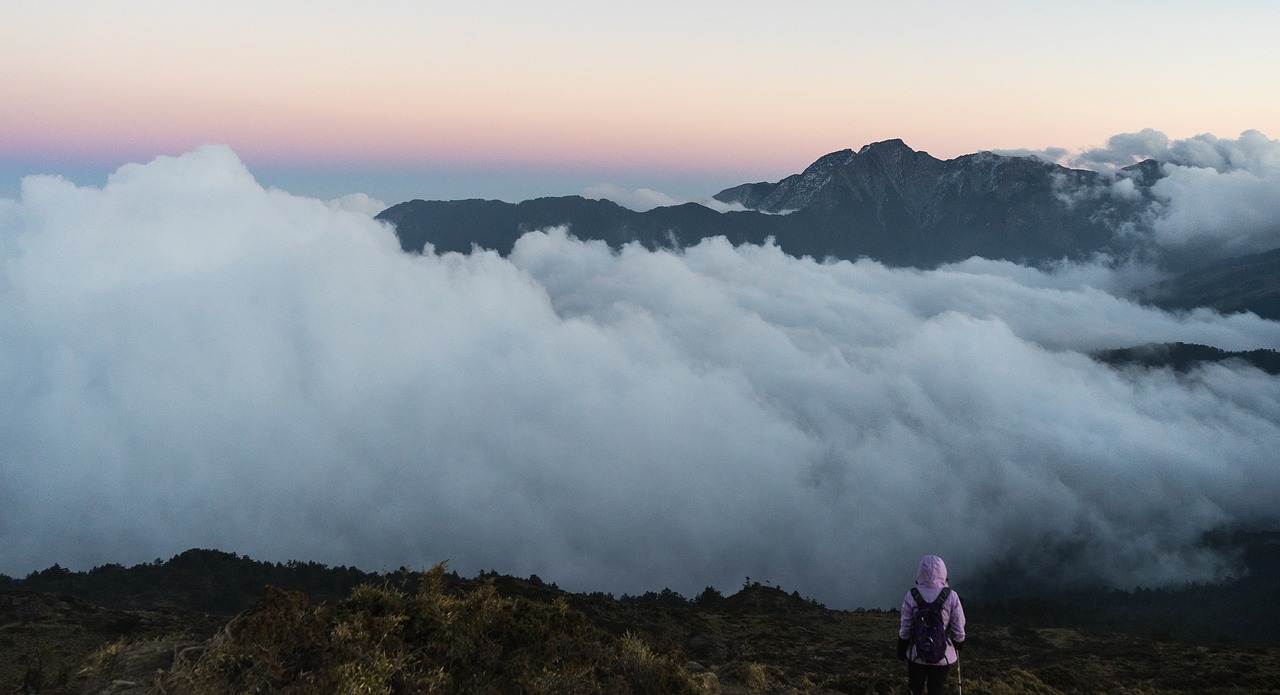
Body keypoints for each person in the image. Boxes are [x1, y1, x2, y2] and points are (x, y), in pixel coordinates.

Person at [898, 554, 966, 695]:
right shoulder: (951, 596)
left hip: (916, 654)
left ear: (920, 572)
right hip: (943, 655)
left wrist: (902, 646)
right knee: (936, 689)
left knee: (914, 688)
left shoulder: (912, 595)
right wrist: (959, 642)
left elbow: (905, 626)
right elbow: (958, 626)